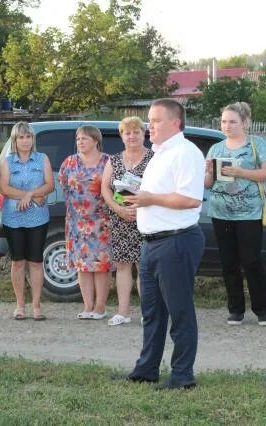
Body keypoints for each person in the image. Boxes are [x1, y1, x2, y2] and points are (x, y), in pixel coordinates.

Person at [119, 98, 205, 390]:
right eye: (149, 120)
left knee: (180, 311)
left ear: (175, 123)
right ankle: (147, 369)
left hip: (177, 241)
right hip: (152, 243)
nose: (148, 126)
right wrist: (138, 199)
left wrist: (149, 199)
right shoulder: (159, 154)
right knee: (152, 312)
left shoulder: (185, 152)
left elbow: (191, 199)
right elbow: (158, 195)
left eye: (155, 120)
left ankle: (182, 375)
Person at [205, 102, 266, 326]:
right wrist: (210, 171)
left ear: (245, 123)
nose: (227, 126)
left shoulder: (257, 144)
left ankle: (262, 309)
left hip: (249, 212)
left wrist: (240, 172)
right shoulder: (216, 148)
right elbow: (208, 184)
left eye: (232, 121)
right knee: (228, 262)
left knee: (251, 261)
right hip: (220, 212)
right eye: (223, 121)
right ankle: (236, 310)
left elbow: (264, 174)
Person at [0, 122, 54, 321]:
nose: (25, 140)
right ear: (15, 139)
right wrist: (27, 195)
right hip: (13, 219)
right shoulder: (7, 162)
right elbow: (4, 188)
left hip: (38, 218)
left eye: (28, 137)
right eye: (21, 137)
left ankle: (37, 306)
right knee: (18, 262)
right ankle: (20, 305)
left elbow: (49, 185)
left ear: (33, 139)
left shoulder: (42, 159)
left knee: (36, 262)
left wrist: (28, 195)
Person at [101, 117, 153, 326]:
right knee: (122, 265)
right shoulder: (113, 160)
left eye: (136, 132)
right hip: (120, 219)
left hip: (147, 218)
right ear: (122, 136)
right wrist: (118, 209)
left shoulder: (154, 158)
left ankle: (147, 312)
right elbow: (105, 188)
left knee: (144, 266)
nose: (132, 136)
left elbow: (160, 189)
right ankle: (122, 312)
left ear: (143, 134)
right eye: (127, 133)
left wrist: (141, 208)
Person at [58, 125, 113, 320]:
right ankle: (88, 306)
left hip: (101, 222)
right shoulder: (69, 162)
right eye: (78, 138)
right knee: (82, 264)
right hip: (76, 222)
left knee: (100, 264)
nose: (80, 142)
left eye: (84, 138)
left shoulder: (108, 162)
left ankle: (100, 306)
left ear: (95, 140)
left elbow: (115, 189)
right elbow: (64, 186)